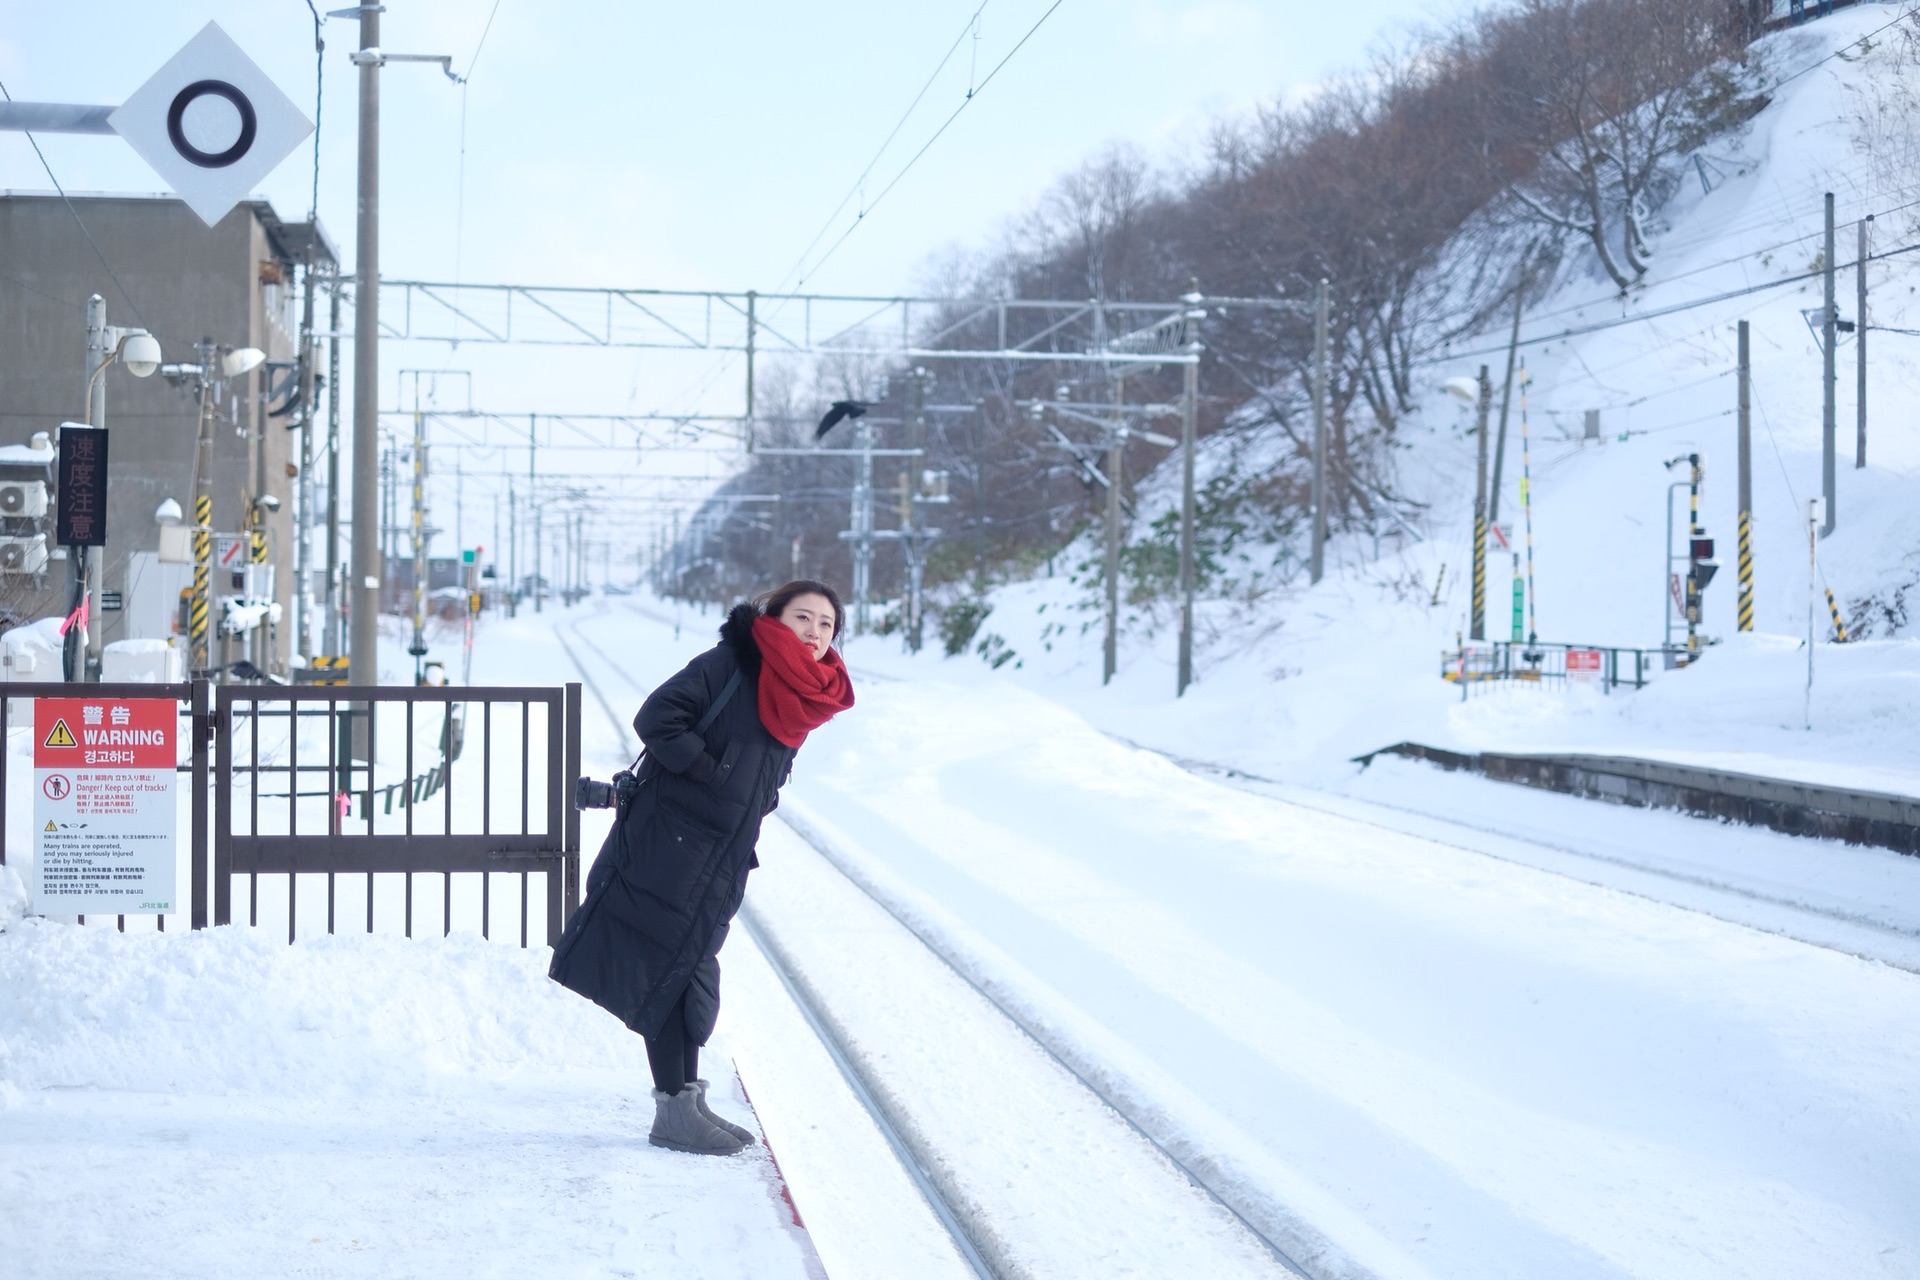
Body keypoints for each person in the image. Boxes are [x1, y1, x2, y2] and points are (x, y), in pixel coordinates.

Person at [549, 581, 855, 1155]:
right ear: (775, 617)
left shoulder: (802, 693)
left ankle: (686, 1099)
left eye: (826, 625)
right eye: (803, 618)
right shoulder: (731, 664)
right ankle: (672, 1110)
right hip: (673, 841)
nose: (814, 632)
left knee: (692, 966)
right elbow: (658, 717)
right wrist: (710, 774)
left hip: (722, 854)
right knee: (668, 963)